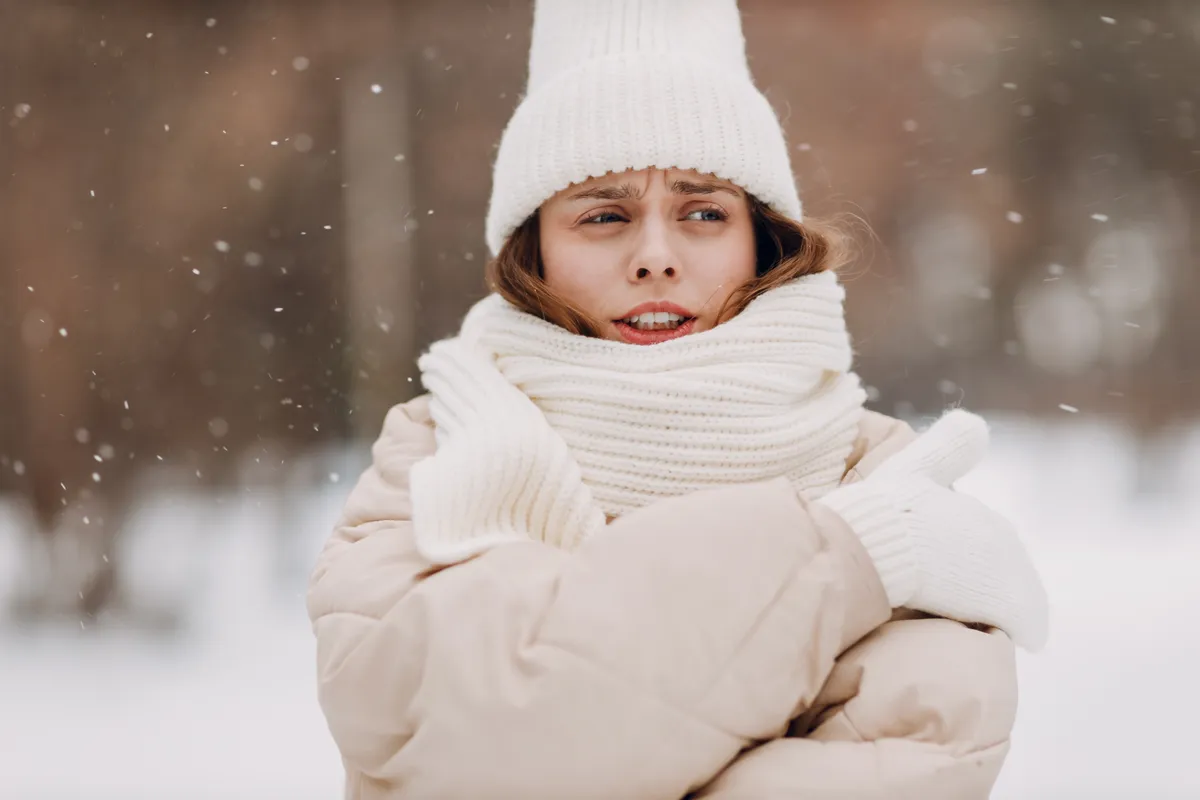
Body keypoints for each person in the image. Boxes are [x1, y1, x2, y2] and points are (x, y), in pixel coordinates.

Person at [308, 2, 1049, 798]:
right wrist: (846, 557)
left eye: (702, 212)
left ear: (760, 240)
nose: (655, 256)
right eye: (604, 214)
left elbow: (910, 763)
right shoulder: (429, 463)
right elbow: (472, 738)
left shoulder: (878, 473)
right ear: (536, 251)